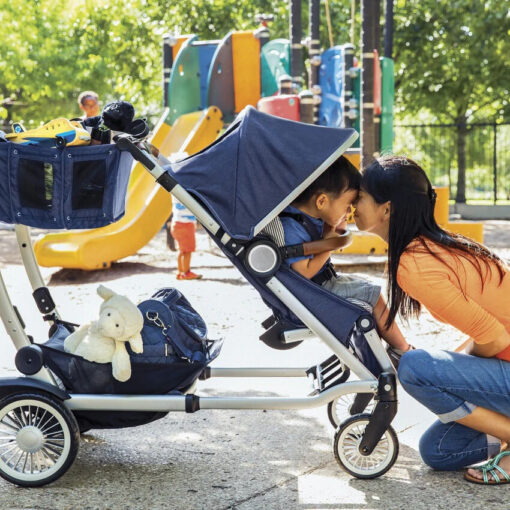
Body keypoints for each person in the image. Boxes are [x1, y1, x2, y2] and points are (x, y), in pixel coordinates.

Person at [354, 155, 510, 485]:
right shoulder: (434, 249)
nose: (354, 201)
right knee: (438, 450)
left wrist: (451, 371)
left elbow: (494, 339)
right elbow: (488, 331)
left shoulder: (416, 263)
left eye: (361, 195)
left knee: (414, 367)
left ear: (387, 209)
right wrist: (459, 369)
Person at [279, 155, 412, 356]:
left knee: (369, 291)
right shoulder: (292, 227)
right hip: (314, 293)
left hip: (323, 286)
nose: (349, 211)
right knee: (373, 296)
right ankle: (402, 350)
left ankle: (385, 351)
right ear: (322, 201)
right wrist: (328, 245)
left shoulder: (310, 217)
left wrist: (332, 230)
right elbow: (303, 273)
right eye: (347, 204)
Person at [171, 199, 202, 280]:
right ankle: (186, 273)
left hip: (176, 223)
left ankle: (180, 272)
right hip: (185, 224)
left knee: (182, 250)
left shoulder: (174, 192)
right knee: (188, 250)